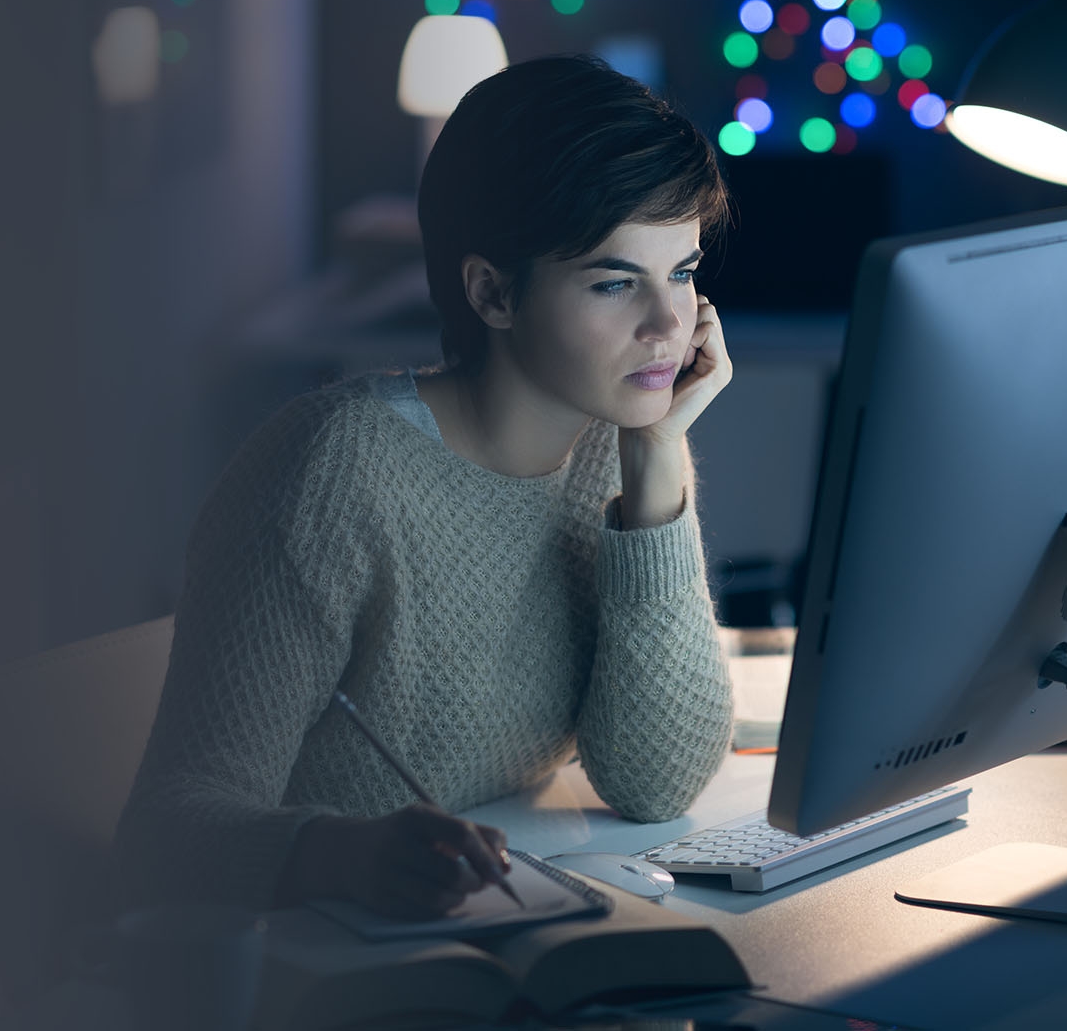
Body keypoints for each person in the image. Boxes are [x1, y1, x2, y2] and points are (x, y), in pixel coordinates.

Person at [116, 55, 738, 919]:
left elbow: (656, 781)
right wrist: (344, 853)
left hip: (503, 923)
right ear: (491, 293)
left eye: (681, 271)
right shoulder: (333, 471)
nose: (670, 325)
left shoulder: (618, 442)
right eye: (613, 281)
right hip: (315, 962)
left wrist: (658, 460)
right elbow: (166, 834)